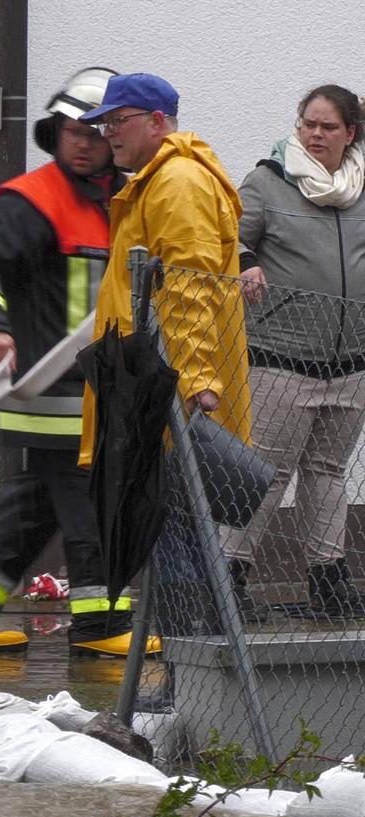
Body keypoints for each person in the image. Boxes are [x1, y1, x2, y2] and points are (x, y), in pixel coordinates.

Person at [0, 67, 144, 656]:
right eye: (71, 130)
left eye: (94, 132)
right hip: (56, 390)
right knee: (95, 503)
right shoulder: (32, 201)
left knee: (36, 507)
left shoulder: (126, 199)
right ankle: (102, 627)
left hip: (100, 390)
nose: (81, 142)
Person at [79, 73, 253, 635]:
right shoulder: (155, 181)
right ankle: (199, 678)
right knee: (179, 531)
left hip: (170, 395)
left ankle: (191, 679)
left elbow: (188, 286)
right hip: (154, 387)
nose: (109, 134)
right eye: (103, 123)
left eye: (118, 120)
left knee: (175, 533)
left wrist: (198, 378)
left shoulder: (175, 182)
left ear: (158, 121)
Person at [223, 85, 365, 620]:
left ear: (350, 134)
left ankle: (327, 579)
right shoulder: (267, 181)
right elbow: (225, 231)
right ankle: (231, 577)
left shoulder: (361, 187)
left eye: (328, 127)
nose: (315, 134)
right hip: (280, 358)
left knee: (327, 470)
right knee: (266, 472)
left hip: (352, 362)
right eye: (309, 124)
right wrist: (244, 261)